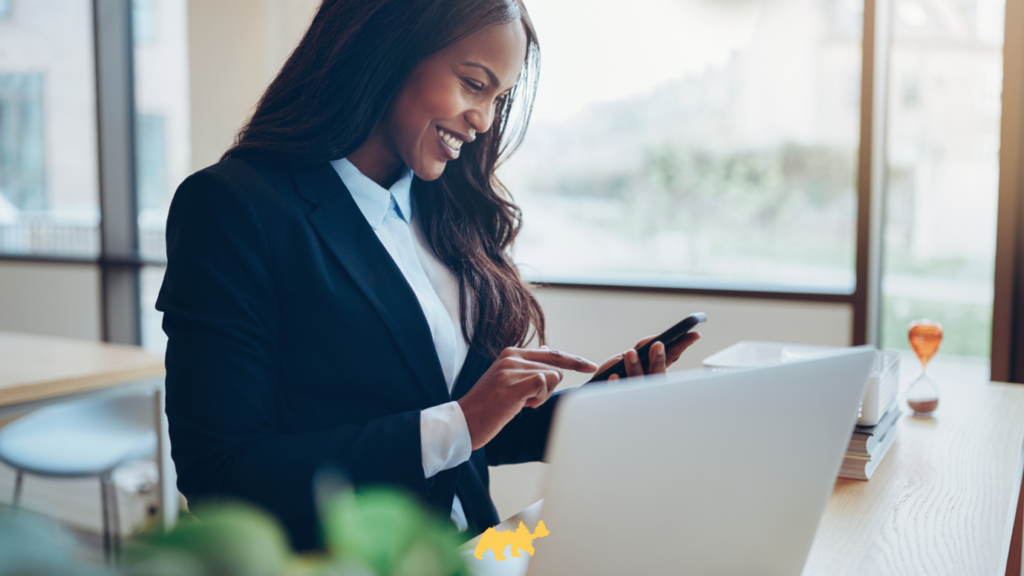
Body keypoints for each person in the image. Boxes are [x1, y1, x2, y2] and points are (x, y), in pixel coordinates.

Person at [157, 0, 700, 550]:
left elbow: (465, 430)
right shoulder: (234, 206)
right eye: (473, 84)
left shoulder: (447, 210)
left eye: (497, 98)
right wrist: (459, 423)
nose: (484, 120)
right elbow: (220, 474)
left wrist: (596, 410)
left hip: (484, 549)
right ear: (387, 48)